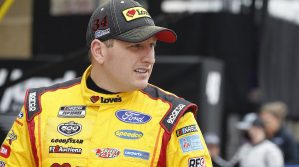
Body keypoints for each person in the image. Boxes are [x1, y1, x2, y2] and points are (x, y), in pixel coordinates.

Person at [0, 0, 212, 166]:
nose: (150, 58)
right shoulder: (40, 107)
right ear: (99, 51)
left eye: (152, 46)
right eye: (136, 46)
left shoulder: (174, 116)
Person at [219, 113, 284, 167]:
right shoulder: (245, 147)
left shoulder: (271, 149)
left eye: (249, 129)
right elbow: (230, 165)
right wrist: (214, 158)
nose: (248, 132)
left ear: (257, 128)